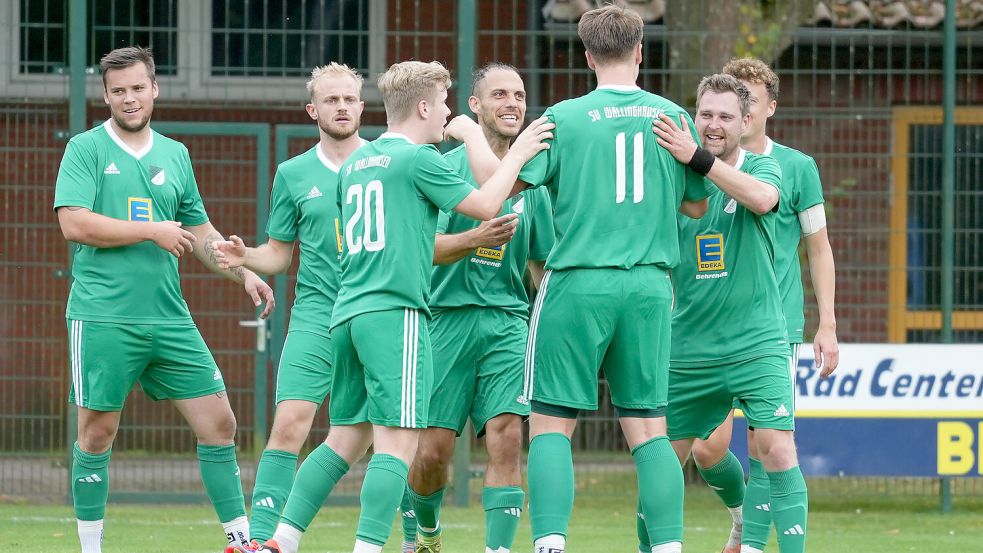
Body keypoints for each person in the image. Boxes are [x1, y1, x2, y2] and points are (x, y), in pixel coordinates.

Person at [253, 60, 553, 553]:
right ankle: (369, 547)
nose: (447, 116)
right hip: (398, 315)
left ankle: (279, 540)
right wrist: (515, 153)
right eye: (443, 105)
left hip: (347, 313)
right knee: (396, 445)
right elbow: (488, 203)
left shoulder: (355, 165)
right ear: (422, 107)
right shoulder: (419, 160)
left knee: (343, 441)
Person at [53, 46, 275, 553]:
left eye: (137, 88)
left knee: (220, 424)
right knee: (96, 434)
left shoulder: (175, 154)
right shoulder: (85, 149)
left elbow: (197, 231)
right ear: (105, 95)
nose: (129, 99)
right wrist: (149, 230)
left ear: (154, 88)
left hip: (170, 319)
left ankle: (241, 542)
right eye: (118, 91)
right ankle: (91, 547)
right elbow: (73, 223)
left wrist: (241, 271)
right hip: (103, 316)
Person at [513, 5, 714, 553]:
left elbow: (516, 183)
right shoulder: (672, 115)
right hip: (650, 285)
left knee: (551, 424)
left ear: (586, 56)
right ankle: (670, 547)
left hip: (578, 280)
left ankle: (551, 544)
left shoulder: (564, 117)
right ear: (641, 51)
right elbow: (697, 208)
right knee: (650, 429)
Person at [684, 57, 840, 553]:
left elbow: (818, 246)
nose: (741, 110)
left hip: (769, 325)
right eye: (734, 101)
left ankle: (752, 544)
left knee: (765, 445)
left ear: (767, 107)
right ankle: (740, 519)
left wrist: (827, 323)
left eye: (749, 100)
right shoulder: (691, 163)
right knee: (708, 449)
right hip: (705, 328)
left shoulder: (794, 167)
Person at [210, 63, 367, 552]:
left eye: (349, 99)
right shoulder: (293, 173)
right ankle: (261, 543)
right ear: (312, 109)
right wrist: (244, 256)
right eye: (331, 100)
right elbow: (278, 253)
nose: (341, 107)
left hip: (377, 314)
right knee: (290, 424)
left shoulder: (388, 160)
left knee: (395, 437)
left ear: (362, 106)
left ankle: (412, 538)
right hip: (317, 315)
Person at [652, 73, 809, 553]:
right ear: (693, 116)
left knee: (778, 450)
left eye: (724, 116)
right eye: (705, 115)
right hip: (688, 349)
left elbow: (762, 201)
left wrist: (696, 158)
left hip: (757, 342)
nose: (713, 125)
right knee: (662, 464)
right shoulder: (671, 176)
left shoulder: (764, 169)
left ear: (746, 122)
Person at [405, 62, 554, 553]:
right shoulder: (441, 168)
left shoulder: (533, 186)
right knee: (431, 454)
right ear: (473, 106)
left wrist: (547, 325)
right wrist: (473, 238)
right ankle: (426, 534)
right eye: (499, 95)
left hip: (508, 324)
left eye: (518, 94)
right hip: (443, 319)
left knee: (507, 437)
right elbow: (420, 248)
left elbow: (540, 265)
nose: (512, 104)